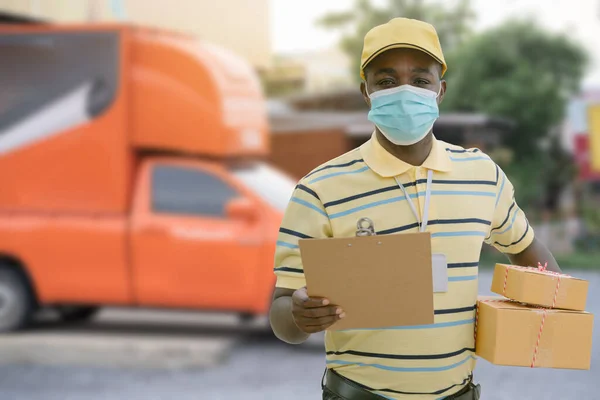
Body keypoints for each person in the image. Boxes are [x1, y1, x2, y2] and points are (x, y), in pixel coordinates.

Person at [269, 17, 561, 400]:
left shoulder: (482, 175)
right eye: (387, 81)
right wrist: (298, 316)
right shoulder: (320, 189)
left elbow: (530, 253)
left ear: (440, 90)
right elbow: (282, 313)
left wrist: (554, 307)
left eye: (420, 80)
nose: (404, 92)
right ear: (366, 91)